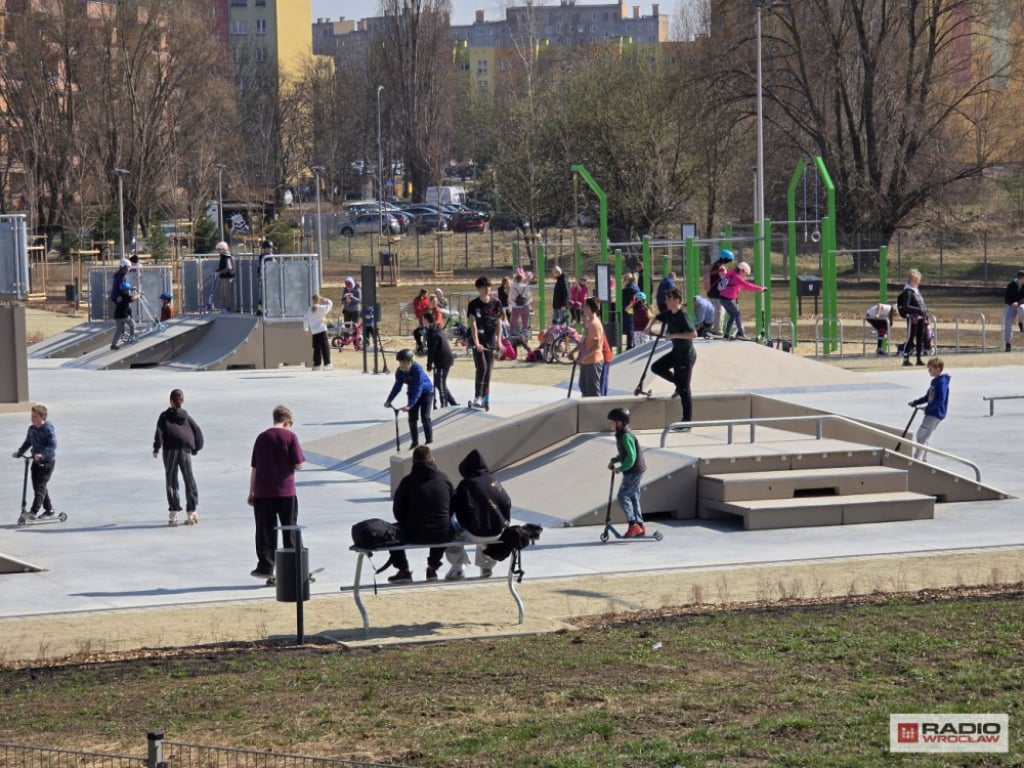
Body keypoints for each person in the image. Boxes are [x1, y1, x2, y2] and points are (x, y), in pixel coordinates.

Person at [247, 405, 305, 580]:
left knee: (265, 531)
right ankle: (295, 567)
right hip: (286, 491)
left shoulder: (261, 438)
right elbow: (299, 464)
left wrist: (251, 492)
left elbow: (254, 468)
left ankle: (265, 567)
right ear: (287, 421)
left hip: (263, 492)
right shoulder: (290, 437)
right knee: (290, 529)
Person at [388, 445, 454, 583]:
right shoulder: (444, 479)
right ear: (432, 459)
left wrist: (408, 522)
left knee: (391, 531)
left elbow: (398, 511)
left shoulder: (407, 481)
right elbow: (453, 507)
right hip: (443, 533)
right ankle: (432, 568)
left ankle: (403, 570)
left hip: (415, 533)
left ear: (413, 462)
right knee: (440, 523)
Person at [445, 449, 512, 580]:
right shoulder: (494, 482)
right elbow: (506, 501)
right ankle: (486, 566)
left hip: (474, 532)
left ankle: (458, 567)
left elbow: (453, 508)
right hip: (497, 531)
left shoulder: (465, 485)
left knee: (453, 530)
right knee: (486, 529)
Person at [153, 389, 204, 526]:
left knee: (171, 479)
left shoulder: (164, 416)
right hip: (184, 450)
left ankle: (174, 513)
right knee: (189, 478)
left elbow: (159, 432)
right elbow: (197, 430)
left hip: (169, 450)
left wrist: (156, 448)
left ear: (170, 401)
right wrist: (196, 447)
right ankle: (192, 511)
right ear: (181, 401)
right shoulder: (186, 416)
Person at [648, 286, 698, 423]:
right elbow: (655, 317)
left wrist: (674, 335)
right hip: (676, 352)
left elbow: (694, 334)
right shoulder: (669, 313)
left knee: (684, 390)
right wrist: (648, 328)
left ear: (677, 300)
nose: (666, 301)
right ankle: (678, 383)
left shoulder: (683, 316)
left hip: (686, 356)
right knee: (656, 367)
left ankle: (687, 421)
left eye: (668, 299)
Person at [12, 404, 57, 521]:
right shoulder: (31, 429)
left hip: (47, 463)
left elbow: (52, 446)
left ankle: (33, 511)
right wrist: (19, 452)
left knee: (40, 486)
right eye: (32, 416)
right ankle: (49, 509)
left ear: (43, 417)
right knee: (38, 487)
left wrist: (42, 454)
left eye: (35, 416)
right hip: (35, 462)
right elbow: (28, 442)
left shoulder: (48, 429)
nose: (32, 419)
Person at [607, 407, 647, 538]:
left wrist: (621, 468)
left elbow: (631, 457)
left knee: (623, 496)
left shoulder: (626, 436)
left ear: (620, 423)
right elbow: (625, 454)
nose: (610, 424)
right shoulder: (622, 434)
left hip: (633, 470)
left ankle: (633, 525)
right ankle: (640, 526)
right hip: (636, 469)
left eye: (612, 421)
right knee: (633, 496)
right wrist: (615, 459)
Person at [385, 348, 434, 449]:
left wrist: (410, 405)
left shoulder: (417, 369)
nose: (401, 364)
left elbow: (418, 388)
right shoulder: (400, 372)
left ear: (410, 361)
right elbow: (397, 387)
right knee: (412, 419)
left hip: (426, 393)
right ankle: (415, 442)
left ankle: (429, 441)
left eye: (404, 362)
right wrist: (389, 400)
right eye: (400, 362)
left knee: (425, 417)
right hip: (412, 393)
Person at [467, 276, 504, 411]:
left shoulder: (496, 303)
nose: (487, 290)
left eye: (488, 287)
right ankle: (477, 396)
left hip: (491, 341)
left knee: (488, 371)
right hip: (478, 341)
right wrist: (476, 343)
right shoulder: (473, 305)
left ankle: (485, 397)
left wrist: (499, 341)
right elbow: (473, 325)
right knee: (481, 367)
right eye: (483, 287)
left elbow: (499, 323)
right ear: (478, 289)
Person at [909, 357, 950, 461]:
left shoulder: (941, 383)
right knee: (925, 435)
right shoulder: (934, 382)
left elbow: (940, 399)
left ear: (937, 369)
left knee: (921, 434)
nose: (928, 371)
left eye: (930, 369)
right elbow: (928, 397)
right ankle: (923, 458)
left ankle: (917, 458)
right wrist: (916, 402)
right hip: (932, 412)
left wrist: (928, 407)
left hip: (935, 413)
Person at [718, 261, 765, 339]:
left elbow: (738, 285)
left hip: (723, 298)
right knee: (737, 314)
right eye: (745, 274)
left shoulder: (731, 273)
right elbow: (747, 285)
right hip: (728, 299)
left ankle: (726, 334)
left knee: (733, 315)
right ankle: (741, 333)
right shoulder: (737, 277)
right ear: (742, 270)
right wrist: (760, 288)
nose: (745, 276)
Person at [424, 309, 458, 407]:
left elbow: (432, 350)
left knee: (441, 383)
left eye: (423, 319)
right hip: (441, 360)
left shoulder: (433, 332)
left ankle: (444, 405)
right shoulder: (433, 329)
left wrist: (429, 365)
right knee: (438, 382)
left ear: (426, 320)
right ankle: (452, 402)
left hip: (443, 361)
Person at [897, 269, 929, 367]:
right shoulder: (908, 291)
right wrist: (918, 310)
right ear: (912, 280)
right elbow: (907, 306)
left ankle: (918, 358)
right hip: (912, 318)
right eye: (917, 280)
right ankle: (906, 358)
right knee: (910, 337)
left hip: (920, 318)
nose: (918, 282)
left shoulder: (916, 291)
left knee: (920, 338)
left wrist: (924, 311)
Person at [577, 297, 605, 397]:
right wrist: (579, 355)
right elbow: (584, 341)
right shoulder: (588, 322)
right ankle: (586, 408)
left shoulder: (594, 324)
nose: (583, 308)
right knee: (583, 386)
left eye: (584, 305)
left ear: (588, 307)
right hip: (586, 361)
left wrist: (585, 356)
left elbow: (597, 344)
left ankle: (596, 410)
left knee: (593, 390)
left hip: (593, 360)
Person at [705, 250, 733, 335]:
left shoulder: (714, 265)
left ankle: (715, 328)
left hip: (711, 292)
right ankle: (718, 330)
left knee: (716, 311)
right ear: (727, 259)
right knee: (720, 311)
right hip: (718, 293)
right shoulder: (721, 268)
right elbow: (724, 281)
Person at [302, 293, 333, 371]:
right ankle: (327, 364)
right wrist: (324, 299)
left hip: (314, 331)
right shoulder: (321, 308)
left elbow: (305, 319)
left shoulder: (309, 310)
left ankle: (317, 364)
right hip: (322, 330)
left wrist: (306, 329)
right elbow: (330, 303)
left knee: (316, 348)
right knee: (325, 347)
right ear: (318, 300)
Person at [110, 278, 137, 350]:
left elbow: (130, 296)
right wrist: (140, 295)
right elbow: (132, 299)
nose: (128, 291)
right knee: (133, 325)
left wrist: (132, 290)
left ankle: (113, 345)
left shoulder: (119, 295)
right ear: (125, 290)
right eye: (128, 290)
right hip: (124, 315)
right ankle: (132, 338)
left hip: (117, 316)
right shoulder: (125, 296)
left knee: (118, 330)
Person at [1002, 270, 1024, 352]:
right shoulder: (1011, 285)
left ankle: (1021, 323)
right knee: (1007, 320)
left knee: (1021, 309)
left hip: (1022, 304)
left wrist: (1018, 302)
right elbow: (1006, 299)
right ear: (1020, 278)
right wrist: (1012, 303)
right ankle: (1008, 343)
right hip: (1012, 305)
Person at [215, 241, 234, 312]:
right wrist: (218, 271)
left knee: (226, 294)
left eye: (219, 249)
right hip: (223, 277)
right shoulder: (223, 256)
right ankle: (224, 308)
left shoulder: (226, 256)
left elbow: (229, 267)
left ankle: (227, 308)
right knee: (222, 293)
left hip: (227, 277)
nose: (218, 251)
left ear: (223, 249)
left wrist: (219, 272)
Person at [621, 272, 639, 350]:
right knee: (632, 327)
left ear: (626, 280)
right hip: (635, 309)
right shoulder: (636, 287)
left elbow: (626, 301)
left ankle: (630, 345)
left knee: (629, 328)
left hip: (629, 309)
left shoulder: (628, 289)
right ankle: (632, 343)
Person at [412, 288, 430, 354]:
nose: (427, 295)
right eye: (426, 293)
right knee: (419, 331)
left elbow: (429, 307)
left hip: (428, 318)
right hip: (421, 316)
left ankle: (426, 346)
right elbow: (417, 309)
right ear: (423, 293)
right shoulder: (417, 300)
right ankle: (421, 345)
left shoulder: (427, 299)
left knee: (427, 331)